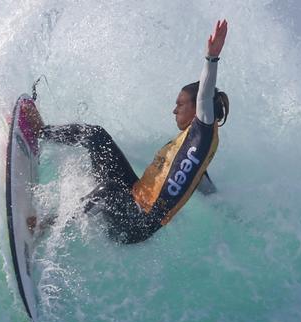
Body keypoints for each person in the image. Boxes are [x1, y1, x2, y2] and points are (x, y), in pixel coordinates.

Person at [38, 19, 230, 244]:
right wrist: (221, 203)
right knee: (96, 135)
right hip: (132, 195)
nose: (174, 110)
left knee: (109, 191)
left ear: (196, 107)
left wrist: (212, 57)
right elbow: (199, 178)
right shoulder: (194, 145)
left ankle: (45, 226)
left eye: (180, 104)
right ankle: (41, 132)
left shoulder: (204, 131)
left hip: (136, 223)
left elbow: (205, 96)